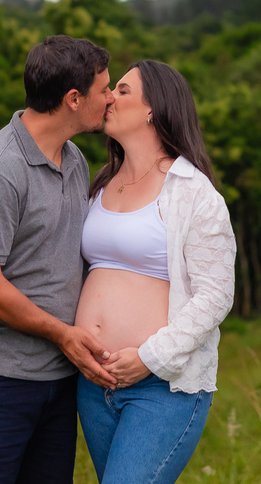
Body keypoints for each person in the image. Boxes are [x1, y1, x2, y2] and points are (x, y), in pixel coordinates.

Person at [0, 35, 119, 484]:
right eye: (105, 89)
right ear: (74, 99)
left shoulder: (74, 160)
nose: (112, 99)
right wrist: (63, 334)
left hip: (57, 383)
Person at [74, 60, 236, 484]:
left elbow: (216, 294)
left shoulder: (193, 192)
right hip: (94, 385)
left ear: (153, 109)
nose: (109, 97)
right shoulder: (101, 183)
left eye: (122, 90)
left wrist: (149, 358)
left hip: (161, 387)